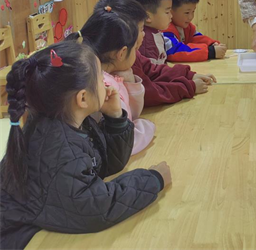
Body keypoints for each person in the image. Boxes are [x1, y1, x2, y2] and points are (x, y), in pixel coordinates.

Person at [0, 42, 170, 250]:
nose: (107, 83)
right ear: (82, 98)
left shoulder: (67, 121)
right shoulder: (58, 150)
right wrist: (153, 179)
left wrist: (115, 118)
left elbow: (103, 165)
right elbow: (97, 207)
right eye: (100, 78)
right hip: (19, 241)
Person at [94, 0, 216, 106]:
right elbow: (150, 93)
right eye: (141, 29)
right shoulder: (117, 71)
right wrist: (188, 87)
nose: (144, 34)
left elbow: (152, 70)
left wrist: (189, 75)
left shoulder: (126, 54)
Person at [67, 6, 155, 154]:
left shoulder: (107, 76)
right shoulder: (105, 88)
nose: (136, 53)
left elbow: (130, 115)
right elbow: (126, 143)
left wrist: (130, 82)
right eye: (135, 49)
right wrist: (147, 126)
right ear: (122, 53)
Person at [163, 0, 227, 62]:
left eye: (193, 11)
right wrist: (210, 52)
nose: (191, 17)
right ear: (170, 11)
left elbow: (197, 38)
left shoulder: (187, 27)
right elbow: (175, 51)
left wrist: (212, 44)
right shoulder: (165, 29)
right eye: (187, 13)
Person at [132, 0, 172, 65]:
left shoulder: (156, 32)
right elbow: (151, 71)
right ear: (147, 17)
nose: (171, 16)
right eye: (167, 12)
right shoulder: (146, 41)